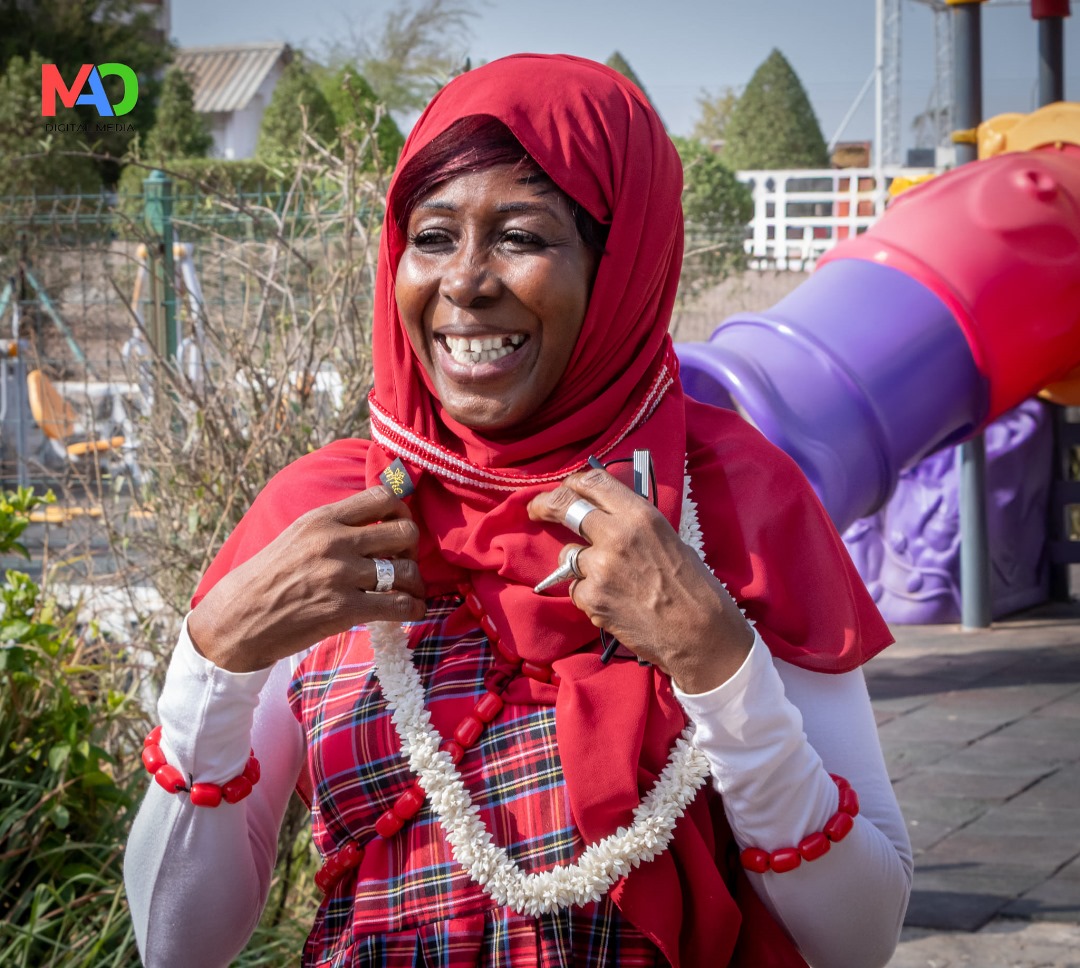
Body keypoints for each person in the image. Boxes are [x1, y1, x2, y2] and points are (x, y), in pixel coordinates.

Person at [125, 54, 912, 968]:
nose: (464, 282)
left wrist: (715, 661)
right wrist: (211, 664)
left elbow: (861, 940)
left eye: (522, 237)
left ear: (620, 267)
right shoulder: (331, 522)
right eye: (431, 237)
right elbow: (177, 947)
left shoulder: (727, 503)